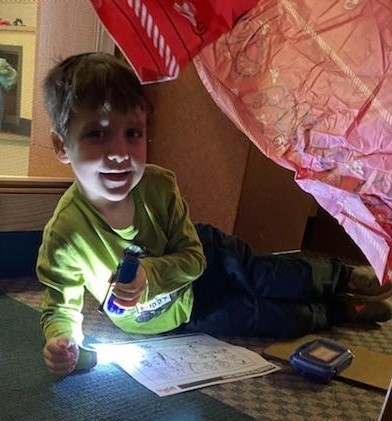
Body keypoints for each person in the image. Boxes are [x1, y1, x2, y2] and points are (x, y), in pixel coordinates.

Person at [36, 52, 392, 377]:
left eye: (133, 133)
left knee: (267, 278)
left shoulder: (159, 186)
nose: (119, 153)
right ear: (60, 146)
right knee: (271, 319)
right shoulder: (66, 233)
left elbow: (193, 260)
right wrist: (62, 340)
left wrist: (149, 275)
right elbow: (59, 305)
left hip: (208, 254)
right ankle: (343, 311)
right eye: (97, 134)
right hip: (185, 314)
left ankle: (341, 277)